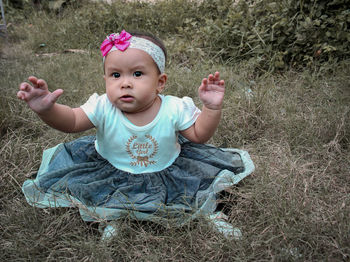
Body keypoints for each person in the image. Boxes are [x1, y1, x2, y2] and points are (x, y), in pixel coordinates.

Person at [18, 30, 254, 239]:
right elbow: (71, 121)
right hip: (113, 168)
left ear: (160, 83)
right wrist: (47, 110)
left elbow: (199, 135)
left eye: (138, 74)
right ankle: (111, 219)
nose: (125, 83)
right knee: (105, 192)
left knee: (192, 191)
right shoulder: (102, 106)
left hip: (167, 167)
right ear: (105, 80)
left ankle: (212, 213)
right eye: (116, 75)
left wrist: (211, 109)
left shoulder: (173, 108)